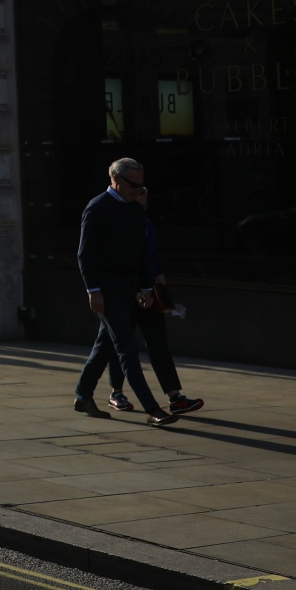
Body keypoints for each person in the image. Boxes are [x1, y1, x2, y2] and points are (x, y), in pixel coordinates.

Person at [73, 158, 176, 426]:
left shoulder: (133, 210)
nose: (138, 190)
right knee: (127, 348)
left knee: (104, 345)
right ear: (116, 180)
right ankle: (153, 409)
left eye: (142, 184)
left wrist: (144, 287)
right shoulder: (97, 208)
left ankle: (83, 395)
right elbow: (85, 254)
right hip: (107, 290)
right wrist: (93, 290)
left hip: (129, 287)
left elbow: (141, 253)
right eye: (133, 184)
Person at [103, 193, 204, 416]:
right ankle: (116, 392)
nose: (140, 208)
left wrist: (162, 291)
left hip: (149, 294)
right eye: (135, 203)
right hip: (125, 295)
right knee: (121, 347)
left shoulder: (148, 226)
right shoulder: (118, 228)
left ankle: (174, 396)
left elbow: (153, 259)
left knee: (159, 345)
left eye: (144, 203)